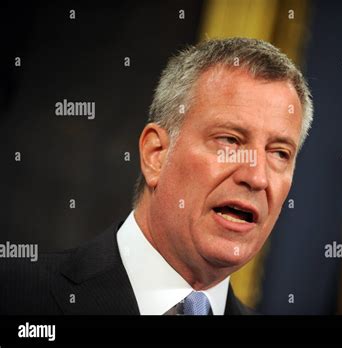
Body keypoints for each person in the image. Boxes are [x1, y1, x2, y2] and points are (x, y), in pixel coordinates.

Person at [0, 38, 313, 315]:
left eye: (279, 153)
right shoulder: (16, 294)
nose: (257, 177)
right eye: (230, 140)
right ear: (156, 154)